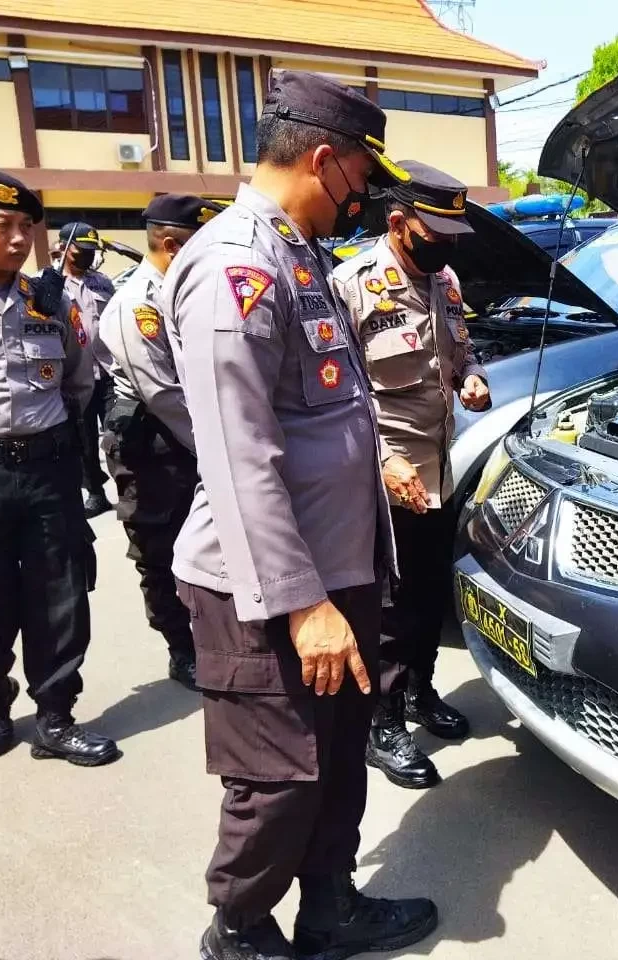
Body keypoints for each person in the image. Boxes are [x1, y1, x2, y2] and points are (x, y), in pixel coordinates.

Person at [161, 72, 437, 960]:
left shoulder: (299, 253)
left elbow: (325, 404)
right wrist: (302, 602)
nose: (363, 200)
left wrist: (380, 459)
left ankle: (329, 908)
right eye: (360, 179)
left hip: (339, 568)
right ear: (323, 160)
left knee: (338, 755)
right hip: (271, 586)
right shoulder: (234, 265)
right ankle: (239, 930)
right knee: (277, 778)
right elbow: (240, 455)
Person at [0, 169, 119, 766]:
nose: (20, 238)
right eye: (4, 224)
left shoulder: (48, 302)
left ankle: (56, 715)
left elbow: (79, 382)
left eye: (28, 226)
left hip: (47, 470)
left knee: (61, 595)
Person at [331, 160, 490, 790]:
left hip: (436, 471)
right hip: (384, 474)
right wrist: (384, 461)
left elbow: (460, 349)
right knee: (391, 607)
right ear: (399, 224)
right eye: (435, 233)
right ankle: (384, 722)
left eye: (453, 235)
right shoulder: (352, 285)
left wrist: (471, 377)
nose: (446, 244)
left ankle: (421, 692)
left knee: (427, 596)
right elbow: (337, 391)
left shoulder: (443, 280)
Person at [99, 194, 221, 692]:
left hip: (191, 439)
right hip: (154, 447)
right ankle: (181, 648)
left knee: (205, 544)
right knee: (160, 549)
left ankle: (210, 635)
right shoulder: (138, 305)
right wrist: (218, 448)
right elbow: (165, 393)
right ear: (171, 247)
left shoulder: (183, 293)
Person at [56, 220, 117, 518]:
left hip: (108, 372)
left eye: (93, 250)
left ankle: (131, 487)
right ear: (65, 248)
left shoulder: (102, 282)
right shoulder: (51, 284)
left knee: (119, 434)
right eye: (83, 250)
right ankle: (95, 492)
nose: (89, 256)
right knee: (85, 442)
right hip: (75, 377)